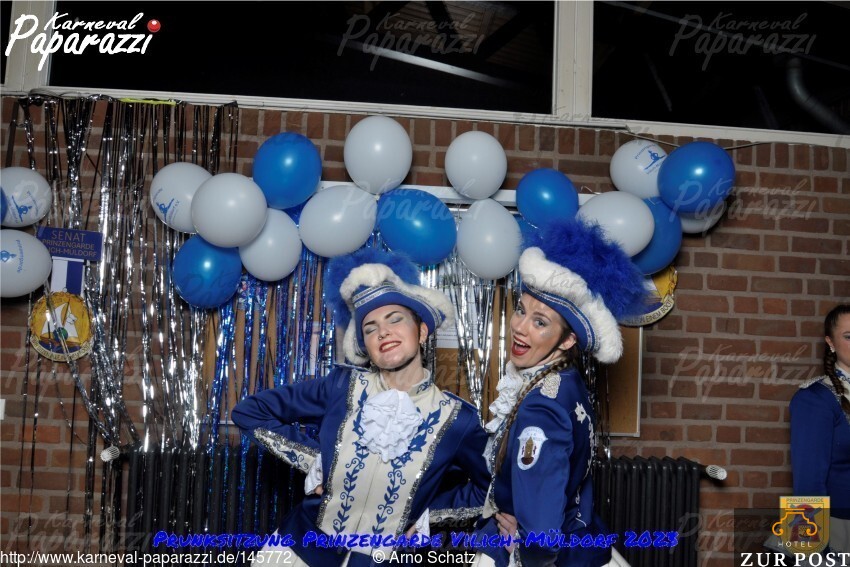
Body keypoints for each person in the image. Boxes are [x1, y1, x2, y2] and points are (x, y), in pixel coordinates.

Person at [231, 247, 490, 566]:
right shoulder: (342, 386)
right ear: (365, 345)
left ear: (422, 331)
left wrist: (429, 517)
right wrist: (318, 460)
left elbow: (488, 490)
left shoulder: (457, 418)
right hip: (297, 550)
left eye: (395, 320)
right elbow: (249, 412)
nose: (383, 332)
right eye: (370, 328)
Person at [471, 218, 647, 567]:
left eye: (540, 322)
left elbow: (541, 527)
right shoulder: (567, 383)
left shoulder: (541, 406)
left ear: (567, 340)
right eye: (521, 310)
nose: (520, 327)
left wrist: (528, 547)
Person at [790, 303, 850, 554]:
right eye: (849, 336)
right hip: (839, 529)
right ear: (831, 342)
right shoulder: (815, 398)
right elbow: (808, 481)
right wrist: (812, 547)